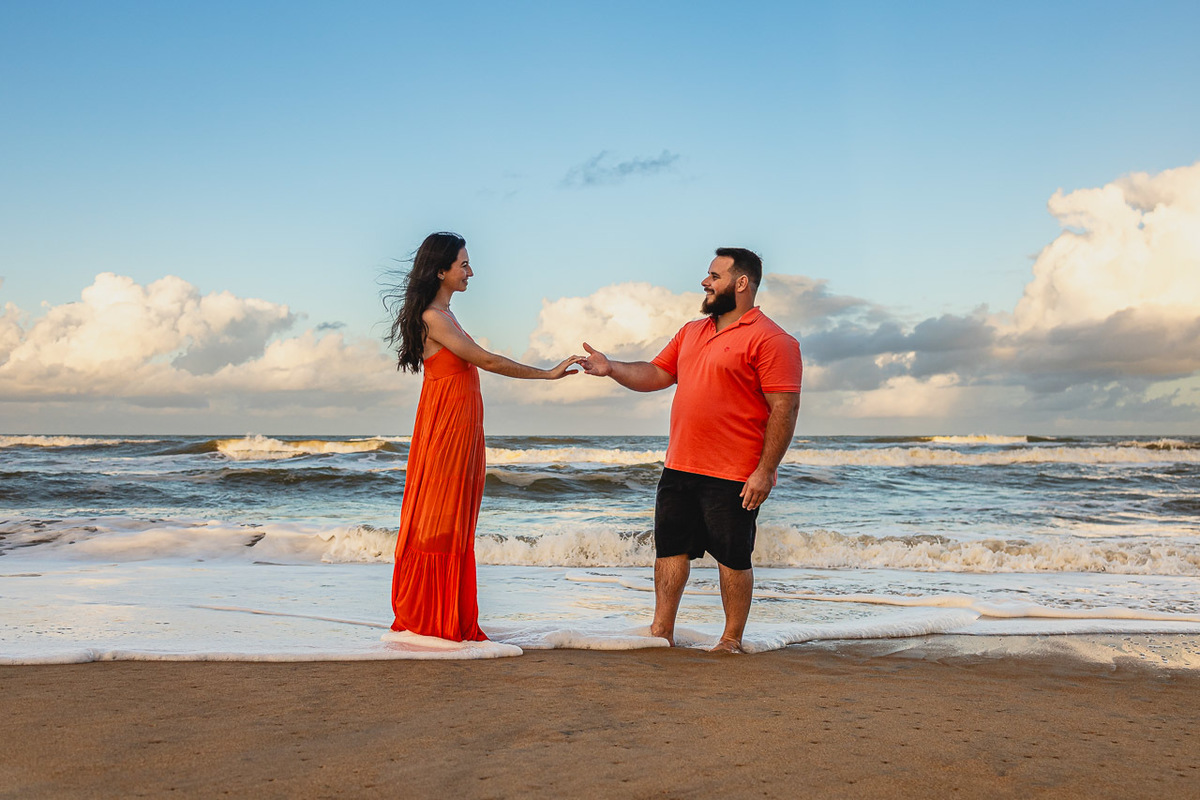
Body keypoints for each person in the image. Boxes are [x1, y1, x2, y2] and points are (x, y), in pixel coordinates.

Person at [580, 247, 801, 653]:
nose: (705, 282)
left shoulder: (773, 340)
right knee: (670, 550)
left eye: (714, 276)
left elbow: (784, 410)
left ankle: (731, 640)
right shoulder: (691, 331)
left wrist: (765, 471)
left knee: (733, 558)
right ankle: (661, 632)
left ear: (741, 284)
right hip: (680, 464)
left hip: (735, 471)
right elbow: (657, 373)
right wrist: (611, 368)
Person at [384, 232, 583, 641]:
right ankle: (430, 618)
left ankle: (446, 616)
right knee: (440, 518)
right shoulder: (433, 318)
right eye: (463, 265)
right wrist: (546, 374)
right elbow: (487, 360)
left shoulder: (447, 314)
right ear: (441, 271)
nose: (471, 271)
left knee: (456, 520)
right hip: (446, 431)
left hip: (462, 428)